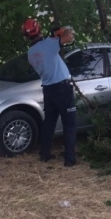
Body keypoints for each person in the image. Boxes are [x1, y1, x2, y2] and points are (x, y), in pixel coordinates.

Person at [23, 18, 78, 167]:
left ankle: (45, 154)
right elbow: (70, 37)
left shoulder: (31, 53)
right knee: (69, 123)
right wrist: (62, 31)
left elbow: (47, 53)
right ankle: (70, 160)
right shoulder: (49, 44)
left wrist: (54, 35)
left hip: (48, 90)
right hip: (62, 89)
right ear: (39, 29)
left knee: (49, 122)